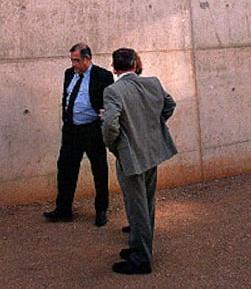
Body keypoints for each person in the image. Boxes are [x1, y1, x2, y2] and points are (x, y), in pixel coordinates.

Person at [101, 48, 177, 275]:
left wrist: (116, 148)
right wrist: (150, 128)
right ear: (135, 63)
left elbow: (109, 126)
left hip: (131, 156)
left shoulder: (113, 91)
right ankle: (141, 247)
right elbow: (169, 105)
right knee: (147, 204)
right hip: (151, 151)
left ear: (114, 68)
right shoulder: (152, 83)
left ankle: (142, 258)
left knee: (137, 209)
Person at [44, 43, 114, 226]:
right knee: (66, 169)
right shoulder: (69, 74)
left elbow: (108, 103)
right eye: (72, 60)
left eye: (77, 60)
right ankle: (63, 209)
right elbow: (66, 98)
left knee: (99, 170)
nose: (74, 64)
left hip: (92, 130)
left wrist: (102, 121)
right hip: (71, 130)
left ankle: (100, 210)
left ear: (87, 59)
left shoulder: (103, 76)